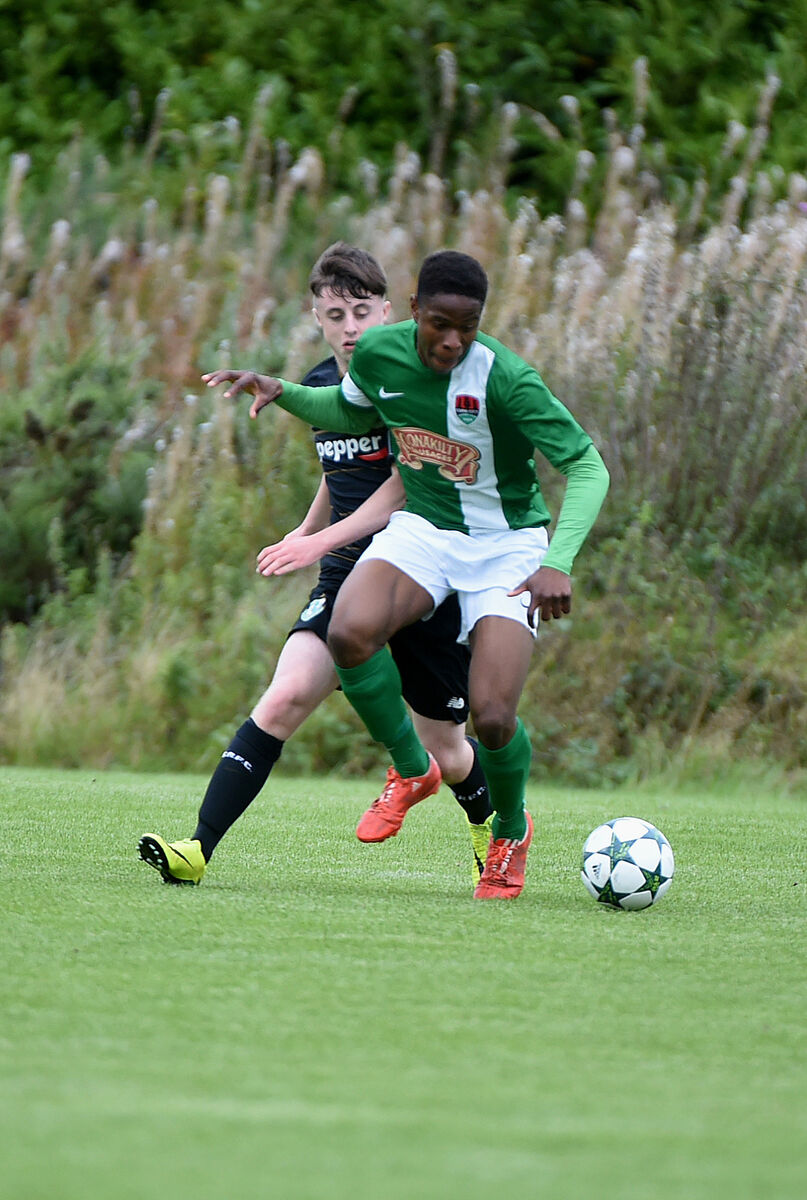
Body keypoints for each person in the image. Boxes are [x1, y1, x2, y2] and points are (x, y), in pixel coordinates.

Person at [202, 249, 610, 901]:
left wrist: (556, 560)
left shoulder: (506, 379)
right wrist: (284, 394)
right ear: (414, 309)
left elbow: (588, 468)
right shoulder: (379, 356)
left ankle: (509, 829)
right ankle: (411, 768)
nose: (452, 340)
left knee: (494, 717)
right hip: (425, 529)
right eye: (439, 323)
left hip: (507, 547)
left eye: (467, 326)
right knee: (347, 630)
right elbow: (347, 411)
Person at [139, 243, 493, 887]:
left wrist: (318, 543)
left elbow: (407, 486)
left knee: (448, 745)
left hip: (421, 577)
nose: (350, 327)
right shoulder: (323, 385)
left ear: (389, 311)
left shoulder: (414, 383)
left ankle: (488, 832)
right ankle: (196, 850)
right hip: (347, 577)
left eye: (362, 311)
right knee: (282, 699)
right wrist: (307, 528)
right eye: (336, 314)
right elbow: (343, 471)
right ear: (317, 317)